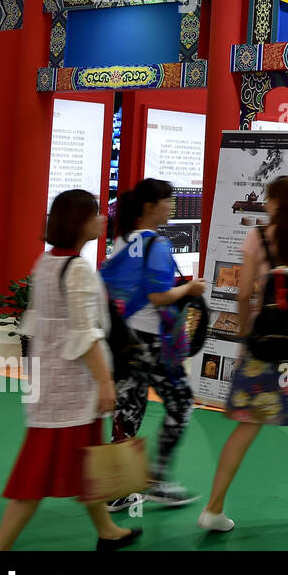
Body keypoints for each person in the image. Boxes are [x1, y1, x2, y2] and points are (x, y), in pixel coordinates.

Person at [0, 190, 141, 551]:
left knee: (88, 465)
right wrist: (106, 383)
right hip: (73, 388)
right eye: (95, 214)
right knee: (34, 478)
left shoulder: (44, 264)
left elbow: (40, 326)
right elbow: (85, 334)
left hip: (51, 383)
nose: (102, 220)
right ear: (81, 222)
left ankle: (107, 531)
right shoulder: (76, 270)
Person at [198, 176, 288, 531]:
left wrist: (248, 333)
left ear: (277, 202)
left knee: (246, 426)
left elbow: (243, 293)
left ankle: (214, 508)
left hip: (263, 346)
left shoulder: (258, 237)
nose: (264, 203)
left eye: (268, 199)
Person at [101, 178, 204, 510]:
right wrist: (189, 290)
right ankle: (158, 480)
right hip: (153, 342)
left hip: (124, 340)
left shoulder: (123, 243)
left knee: (128, 411)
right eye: (166, 200)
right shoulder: (156, 245)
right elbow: (159, 296)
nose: (171, 206)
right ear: (150, 206)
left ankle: (119, 488)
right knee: (181, 404)